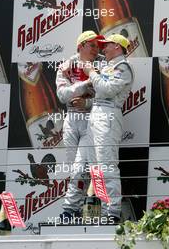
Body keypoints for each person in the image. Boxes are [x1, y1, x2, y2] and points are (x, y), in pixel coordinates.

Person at [83, 34, 134, 222]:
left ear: (118, 47)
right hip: (96, 114)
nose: (103, 49)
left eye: (107, 45)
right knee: (95, 167)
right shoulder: (107, 66)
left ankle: (112, 212)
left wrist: (92, 73)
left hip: (108, 116)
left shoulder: (123, 67)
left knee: (107, 165)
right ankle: (101, 211)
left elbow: (106, 90)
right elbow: (99, 94)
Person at [56, 30, 104, 220]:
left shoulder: (103, 64)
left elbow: (108, 96)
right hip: (71, 120)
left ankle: (68, 210)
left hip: (92, 119)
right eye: (92, 45)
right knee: (74, 169)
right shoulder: (66, 66)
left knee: (81, 168)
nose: (96, 49)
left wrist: (87, 102)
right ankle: (80, 209)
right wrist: (84, 85)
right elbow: (62, 96)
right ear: (81, 46)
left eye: (98, 46)